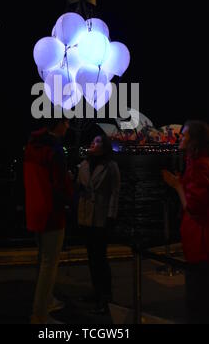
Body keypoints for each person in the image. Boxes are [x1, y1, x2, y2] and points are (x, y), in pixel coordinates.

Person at [162, 120, 209, 324]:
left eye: (184, 135)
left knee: (199, 300)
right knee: (206, 298)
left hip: (202, 242)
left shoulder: (200, 167)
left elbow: (193, 208)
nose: (179, 137)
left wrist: (176, 186)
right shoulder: (206, 163)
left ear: (195, 141)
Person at [23, 118, 73, 324]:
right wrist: (71, 193)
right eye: (66, 121)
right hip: (51, 213)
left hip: (34, 208)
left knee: (42, 259)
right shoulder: (55, 151)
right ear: (58, 124)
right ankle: (40, 314)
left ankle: (45, 300)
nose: (68, 126)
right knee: (49, 263)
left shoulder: (32, 145)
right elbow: (60, 186)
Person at [77, 135, 120, 314]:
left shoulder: (111, 166)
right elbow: (79, 186)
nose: (94, 144)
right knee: (91, 256)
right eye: (93, 141)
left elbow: (115, 192)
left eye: (98, 141)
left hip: (101, 216)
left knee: (100, 257)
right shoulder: (85, 164)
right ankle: (96, 291)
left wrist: (111, 215)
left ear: (105, 146)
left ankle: (106, 295)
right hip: (86, 214)